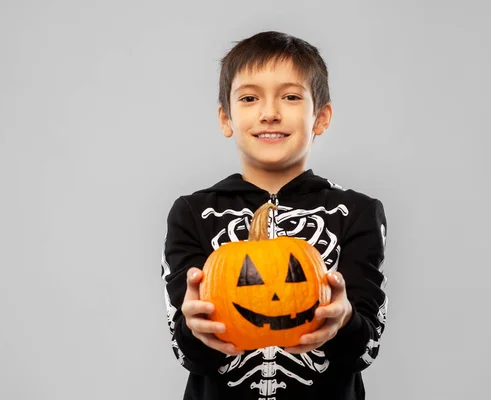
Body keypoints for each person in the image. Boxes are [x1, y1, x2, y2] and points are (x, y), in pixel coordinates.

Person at [161, 30, 388, 400]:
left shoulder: (357, 212)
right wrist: (193, 326)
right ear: (226, 118)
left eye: (291, 97)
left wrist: (344, 320)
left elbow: (365, 350)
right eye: (250, 98)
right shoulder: (192, 213)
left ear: (321, 117)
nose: (269, 113)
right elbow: (189, 355)